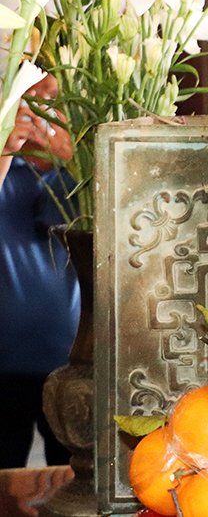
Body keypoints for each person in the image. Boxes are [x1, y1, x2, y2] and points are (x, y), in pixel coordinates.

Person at [0, 73, 78, 467]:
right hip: (3, 361)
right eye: (24, 97)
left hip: (68, 363)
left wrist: (74, 158)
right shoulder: (4, 171)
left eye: (48, 98)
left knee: (71, 476)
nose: (36, 112)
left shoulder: (76, 178)